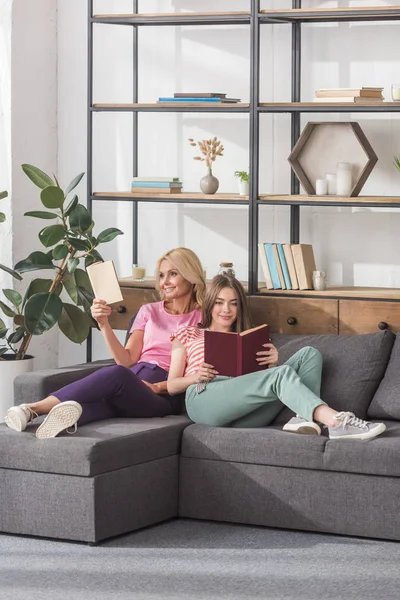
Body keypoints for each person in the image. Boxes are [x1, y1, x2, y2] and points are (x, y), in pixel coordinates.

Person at [5, 247, 206, 438]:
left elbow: (196, 369)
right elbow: (127, 361)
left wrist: (158, 387)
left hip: (163, 396)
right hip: (132, 379)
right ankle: (57, 423)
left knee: (116, 375)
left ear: (190, 276)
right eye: (161, 275)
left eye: (173, 274)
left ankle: (33, 408)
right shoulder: (149, 311)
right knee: (100, 402)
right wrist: (103, 324)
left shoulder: (204, 318)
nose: (165, 282)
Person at [167, 274, 386, 441]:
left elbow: (258, 384)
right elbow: (171, 385)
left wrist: (272, 365)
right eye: (219, 302)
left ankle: (304, 417)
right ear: (210, 304)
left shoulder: (250, 339)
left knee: (309, 354)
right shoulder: (189, 333)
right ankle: (336, 422)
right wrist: (195, 377)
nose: (226, 309)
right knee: (280, 374)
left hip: (247, 413)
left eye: (233, 303)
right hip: (205, 399)